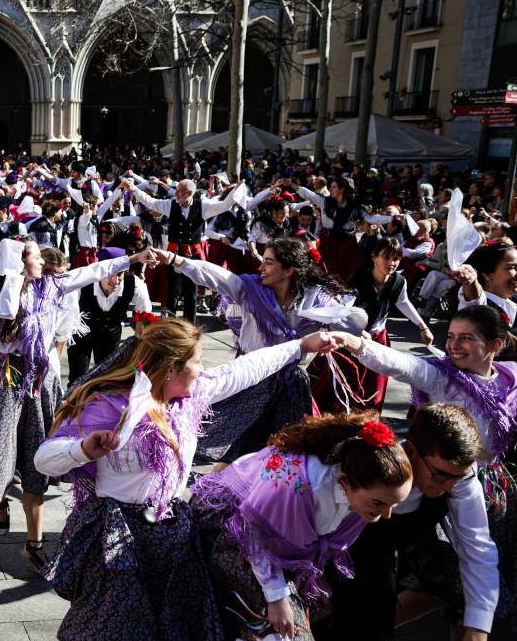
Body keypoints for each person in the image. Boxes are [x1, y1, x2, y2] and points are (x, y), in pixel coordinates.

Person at [33, 319, 343, 641]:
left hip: (172, 529)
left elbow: (246, 369)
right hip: (116, 536)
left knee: (156, 637)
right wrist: (85, 448)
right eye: (196, 362)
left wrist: (301, 345)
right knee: (112, 632)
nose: (203, 369)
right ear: (169, 368)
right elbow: (45, 459)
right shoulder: (108, 406)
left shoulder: (189, 396)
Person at [191, 413, 413, 641]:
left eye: (394, 505)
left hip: (266, 544)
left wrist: (312, 580)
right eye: (379, 504)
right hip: (230, 531)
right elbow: (252, 534)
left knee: (257, 632)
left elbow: (323, 541)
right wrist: (278, 596)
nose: (386, 515)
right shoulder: (294, 483)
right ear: (345, 482)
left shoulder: (361, 496)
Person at [311, 404, 497, 641]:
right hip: (352, 544)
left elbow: (478, 550)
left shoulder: (456, 478)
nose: (448, 487)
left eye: (457, 478)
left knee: (383, 619)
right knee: (363, 631)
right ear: (411, 451)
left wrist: (477, 639)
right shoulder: (370, 465)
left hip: (405, 539)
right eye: (440, 476)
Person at [0, 238, 144, 569]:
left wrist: (134, 257)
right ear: (18, 264)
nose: (41, 262)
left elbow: (92, 271)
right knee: (2, 450)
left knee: (38, 458)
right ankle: (0, 497)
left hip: (40, 378)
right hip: (5, 376)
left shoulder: (52, 286)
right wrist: (18, 276)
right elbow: (6, 309)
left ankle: (34, 542)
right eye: (33, 255)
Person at [144, 237, 366, 464]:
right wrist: (174, 259)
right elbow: (216, 276)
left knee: (292, 448)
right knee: (243, 448)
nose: (261, 267)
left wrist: (353, 335)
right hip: (253, 380)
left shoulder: (315, 299)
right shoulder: (250, 290)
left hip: (289, 386)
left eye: (268, 262)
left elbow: (353, 320)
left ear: (288, 270)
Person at [308, 235, 433, 414]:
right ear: (374, 257)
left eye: (396, 258)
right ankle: (330, 416)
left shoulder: (399, 281)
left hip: (377, 338)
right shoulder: (360, 277)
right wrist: (357, 331)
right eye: (386, 257)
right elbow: (343, 308)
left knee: (374, 384)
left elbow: (403, 302)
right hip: (351, 337)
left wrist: (423, 326)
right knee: (340, 381)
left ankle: (366, 419)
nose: (392, 263)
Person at [126, 177, 241, 322]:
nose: (177, 194)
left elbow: (224, 205)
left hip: (192, 254)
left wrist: (236, 190)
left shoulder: (203, 206)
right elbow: (150, 202)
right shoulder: (170, 205)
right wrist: (133, 189)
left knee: (190, 292)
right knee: (172, 290)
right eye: (177, 190)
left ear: (190, 193)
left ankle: (189, 325)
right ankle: (172, 323)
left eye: (180, 191)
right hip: (173, 252)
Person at [66, 246, 152, 386]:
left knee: (106, 379)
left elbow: (145, 313)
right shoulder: (84, 282)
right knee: (77, 377)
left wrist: (139, 342)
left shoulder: (134, 284)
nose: (115, 280)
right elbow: (67, 314)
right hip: (81, 334)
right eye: (110, 274)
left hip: (110, 334)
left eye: (120, 274)